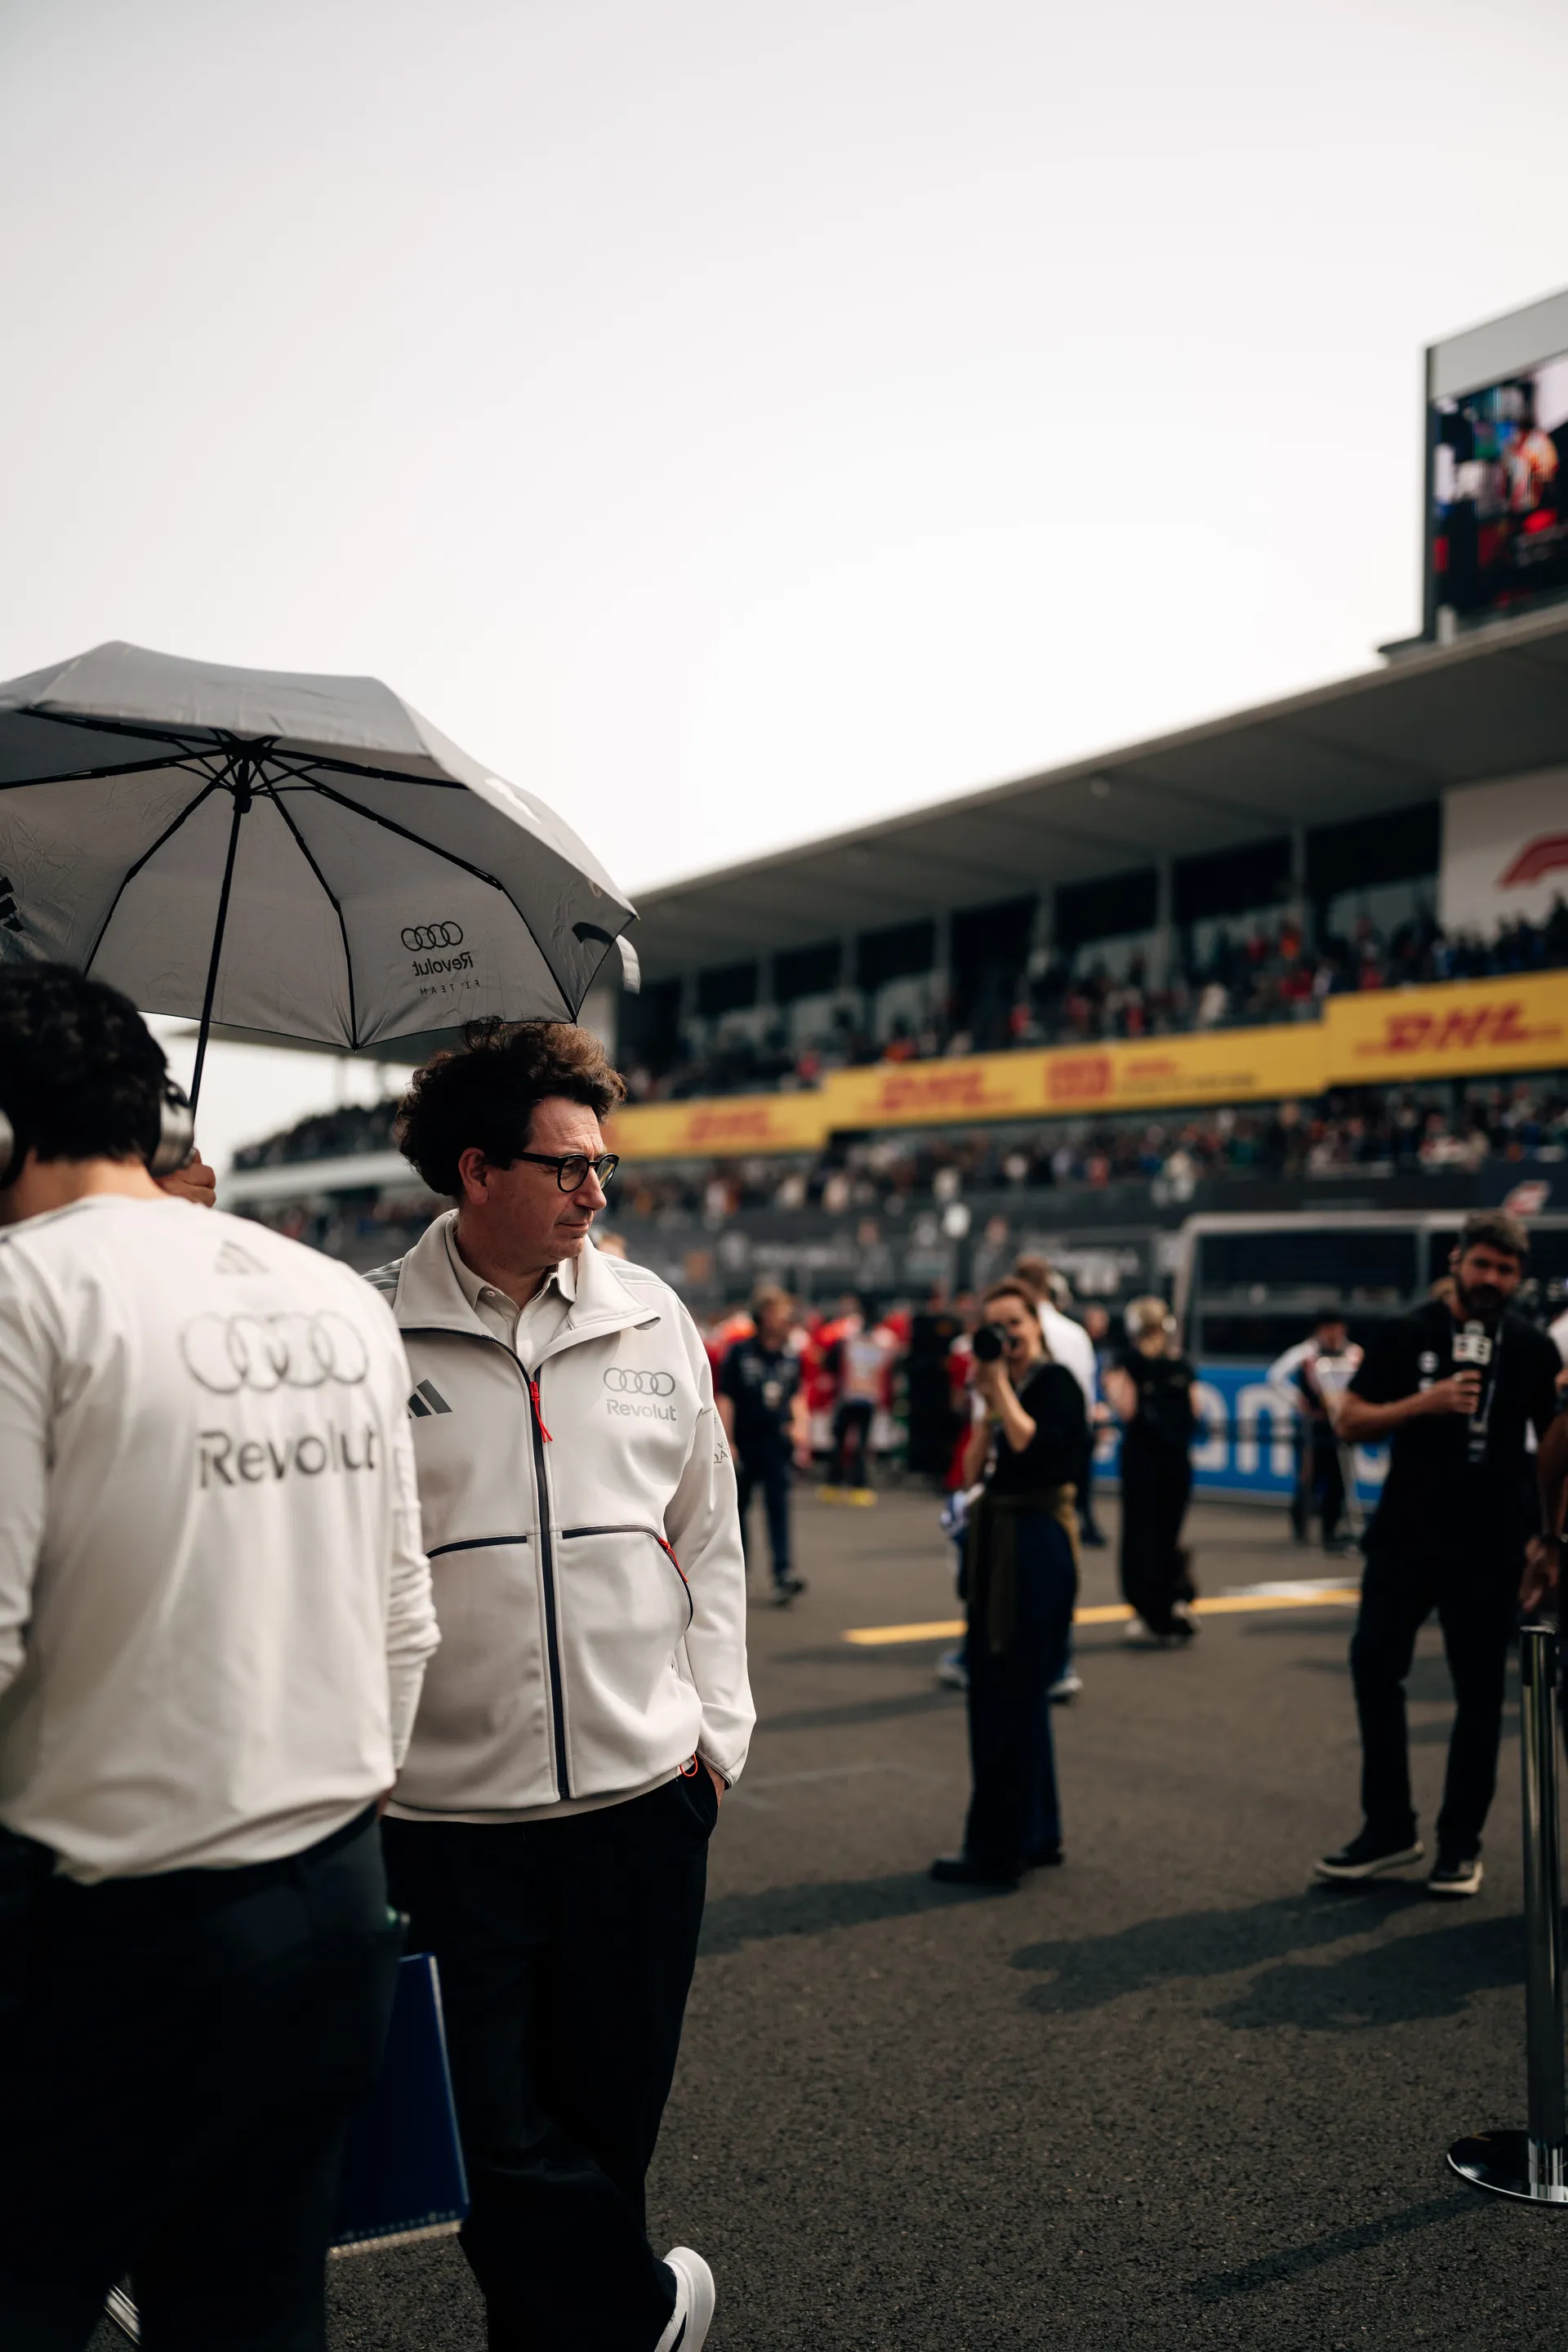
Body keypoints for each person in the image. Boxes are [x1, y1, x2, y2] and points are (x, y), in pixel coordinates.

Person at [0, 964, 437, 2352]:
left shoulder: (23, 1296)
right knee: (251, 2322)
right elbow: (404, 1618)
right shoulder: (333, 1294)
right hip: (332, 1908)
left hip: (105, 1932)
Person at [369, 1018, 752, 2352]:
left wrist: (718, 1739)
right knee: (484, 2139)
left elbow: (709, 1533)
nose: (601, 1188)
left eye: (604, 1164)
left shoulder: (656, 1314)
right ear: (478, 1172)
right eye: (570, 1165)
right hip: (442, 1825)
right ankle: (641, 2310)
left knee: (607, 2128)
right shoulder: (366, 1334)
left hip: (646, 1810)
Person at [1318, 1213, 1562, 1898]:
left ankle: (1461, 1846)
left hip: (1491, 1546)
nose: (1492, 1280)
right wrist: (1423, 1404)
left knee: (1480, 1694)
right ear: (1458, 1260)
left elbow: (1556, 1451)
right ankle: (1390, 1827)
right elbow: (1349, 1419)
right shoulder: (1406, 1329)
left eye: (1506, 1271)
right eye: (1482, 1265)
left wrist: (1550, 1541)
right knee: (1374, 1667)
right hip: (1405, 1536)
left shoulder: (1533, 1347)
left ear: (1519, 1277)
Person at [930, 1279, 1086, 1890]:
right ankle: (1038, 1833)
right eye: (993, 1328)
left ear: (1038, 1326)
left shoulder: (1056, 1385)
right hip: (1000, 1542)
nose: (1006, 1337)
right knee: (1014, 1697)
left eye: (1014, 1324)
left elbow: (1035, 1445)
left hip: (1035, 1547)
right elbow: (975, 1470)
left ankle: (997, 1853)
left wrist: (997, 1390)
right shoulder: (1002, 1389)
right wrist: (986, 1403)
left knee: (1005, 1699)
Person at [1013, 1256, 1099, 1695]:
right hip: (1067, 1460)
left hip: (1024, 1465)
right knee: (1063, 1563)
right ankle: (1059, 1659)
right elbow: (1086, 1400)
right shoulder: (1077, 1334)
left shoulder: (1030, 1341)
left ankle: (1040, 1658)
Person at [1105, 1296, 1201, 1647]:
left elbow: (1127, 1409)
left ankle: (1149, 1606)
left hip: (1143, 1461)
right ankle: (1173, 1599)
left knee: (1140, 1533)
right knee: (1167, 1532)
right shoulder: (1181, 1365)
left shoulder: (1129, 1364)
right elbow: (1196, 1409)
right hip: (1175, 1461)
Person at [718, 1284, 809, 1605]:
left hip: (777, 1445)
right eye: (782, 1312)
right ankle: (737, 1576)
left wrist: (801, 1428)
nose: (788, 1319)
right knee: (737, 1512)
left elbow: (796, 1395)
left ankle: (783, 1574)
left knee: (779, 1509)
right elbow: (725, 1398)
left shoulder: (790, 1355)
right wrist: (727, 1441)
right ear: (766, 1315)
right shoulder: (739, 1352)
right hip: (744, 1441)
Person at [1268, 1312, 1361, 1554]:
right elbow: (1275, 1376)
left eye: (1338, 1327)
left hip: (1342, 1423)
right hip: (1314, 1425)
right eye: (1329, 1328)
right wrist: (1298, 1401)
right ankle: (1301, 1528)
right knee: (1309, 1477)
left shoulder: (1354, 1354)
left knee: (1339, 1478)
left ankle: (1330, 1530)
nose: (1334, 1333)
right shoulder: (1305, 1353)